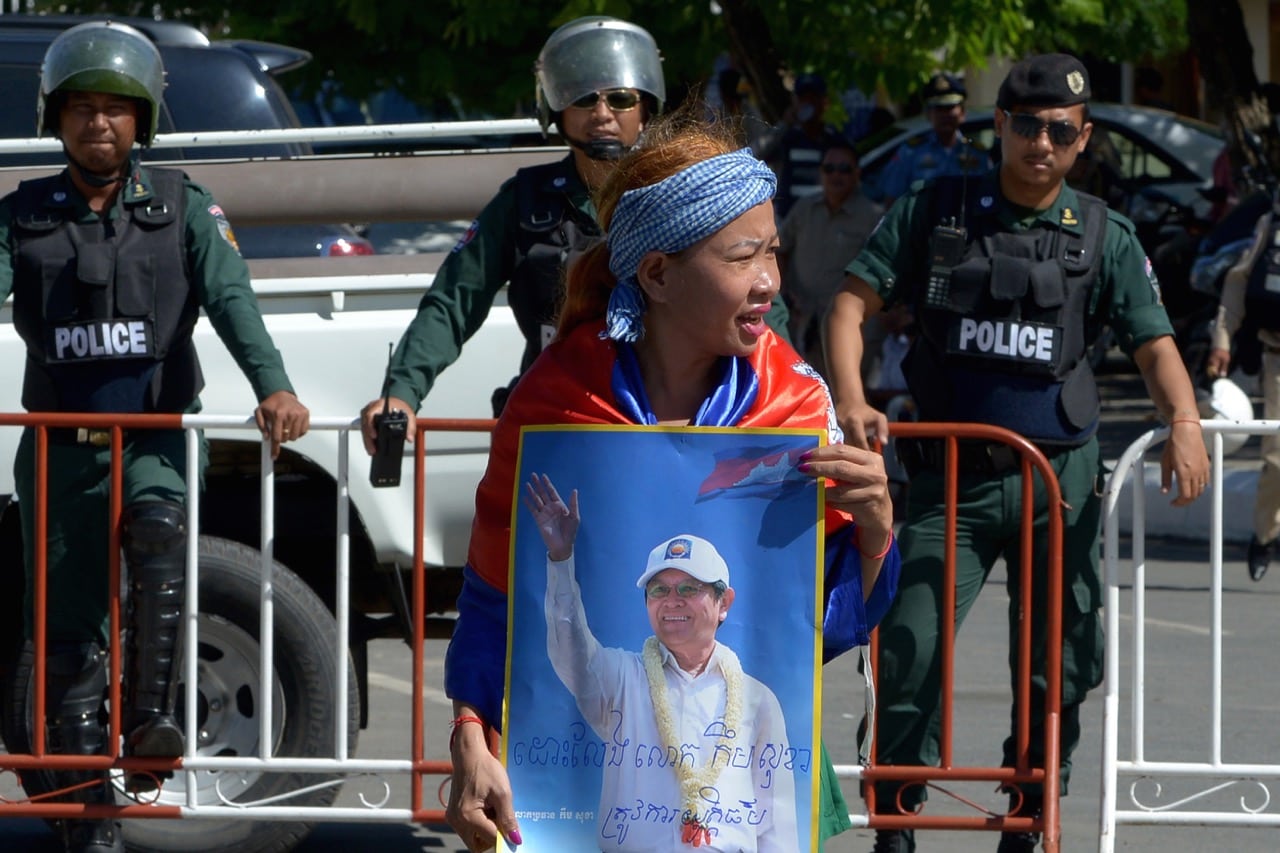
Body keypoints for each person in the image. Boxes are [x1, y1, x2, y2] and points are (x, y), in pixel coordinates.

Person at [442, 111, 900, 853]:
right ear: (657, 273)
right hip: (583, 811)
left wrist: (876, 529)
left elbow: (824, 625)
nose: (768, 283)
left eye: (773, 254)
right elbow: (495, 598)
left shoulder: (795, 401)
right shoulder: (556, 399)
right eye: (743, 256)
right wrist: (469, 733)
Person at [824, 54, 1210, 853]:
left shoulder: (1104, 233)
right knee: (910, 649)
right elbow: (850, 304)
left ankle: (1030, 821)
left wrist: (1184, 419)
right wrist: (852, 399)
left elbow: (1155, 343)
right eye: (1026, 124)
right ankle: (897, 823)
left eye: (1060, 129)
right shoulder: (938, 209)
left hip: (1056, 482)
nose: (1042, 141)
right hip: (946, 482)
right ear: (999, 126)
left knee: (1057, 661)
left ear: (1083, 138)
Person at [0, 21, 309, 853]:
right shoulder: (21, 215)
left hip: (155, 437)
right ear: (56, 120)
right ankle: (85, 817)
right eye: (82, 108)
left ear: (144, 121)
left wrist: (272, 385)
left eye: (117, 109)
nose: (99, 123)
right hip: (63, 449)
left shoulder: (183, 205)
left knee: (160, 529)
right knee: (64, 638)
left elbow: (234, 299)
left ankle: (152, 722)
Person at [359, 16, 789, 444]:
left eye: (620, 99)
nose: (602, 114)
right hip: (558, 417)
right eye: (583, 98)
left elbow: (758, 303)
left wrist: (799, 403)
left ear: (645, 108)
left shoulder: (686, 197)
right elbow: (454, 300)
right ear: (556, 109)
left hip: (682, 424)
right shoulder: (524, 202)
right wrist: (401, 394)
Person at [526, 475, 799, 850]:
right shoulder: (621, 679)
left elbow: (777, 822)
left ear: (724, 603)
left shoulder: (757, 700)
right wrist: (561, 559)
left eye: (689, 589)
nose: (673, 601)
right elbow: (569, 651)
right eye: (659, 590)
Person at [1207, 212, 1280, 580]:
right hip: (1278, 358)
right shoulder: (1273, 222)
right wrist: (1223, 338)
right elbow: (1239, 281)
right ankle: (1265, 535)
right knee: (1279, 459)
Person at [777, 140, 884, 371]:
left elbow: (884, 272)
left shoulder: (872, 217)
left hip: (848, 327)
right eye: (829, 168)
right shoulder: (804, 208)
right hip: (801, 319)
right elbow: (779, 250)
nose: (836, 175)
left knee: (841, 396)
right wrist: (783, 293)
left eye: (845, 169)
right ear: (821, 173)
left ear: (857, 174)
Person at [877, 72, 988, 207]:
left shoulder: (977, 154)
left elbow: (988, 198)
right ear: (928, 114)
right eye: (939, 108)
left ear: (963, 112)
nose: (945, 115)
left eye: (950, 107)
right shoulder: (910, 153)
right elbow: (892, 202)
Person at [756, 73, 849, 220]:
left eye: (813, 98)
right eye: (803, 99)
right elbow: (755, 154)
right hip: (787, 221)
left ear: (824, 102)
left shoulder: (834, 142)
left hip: (822, 222)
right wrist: (784, 125)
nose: (808, 103)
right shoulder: (786, 138)